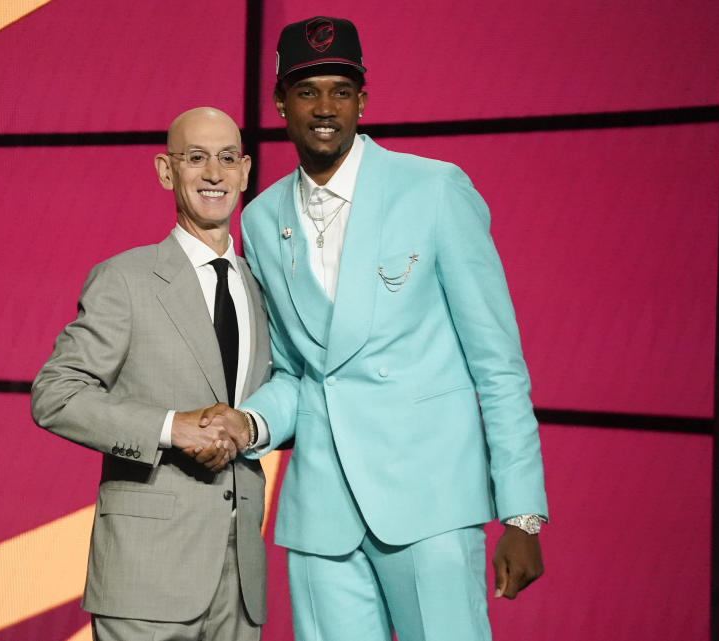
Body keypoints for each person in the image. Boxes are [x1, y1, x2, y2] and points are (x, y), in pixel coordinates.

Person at [206, 16, 548, 641]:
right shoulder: (258, 221)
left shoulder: (435, 190)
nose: (326, 107)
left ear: (364, 100)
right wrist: (249, 423)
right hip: (322, 515)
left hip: (431, 503)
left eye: (341, 90)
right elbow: (295, 373)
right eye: (308, 91)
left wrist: (522, 515)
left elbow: (497, 364)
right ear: (280, 102)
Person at [31, 107, 271, 641]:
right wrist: (172, 427)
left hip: (240, 585)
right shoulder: (125, 279)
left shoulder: (267, 286)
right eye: (196, 158)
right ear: (166, 171)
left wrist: (250, 427)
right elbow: (55, 394)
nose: (214, 173)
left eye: (227, 158)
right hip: (146, 580)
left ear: (246, 172)